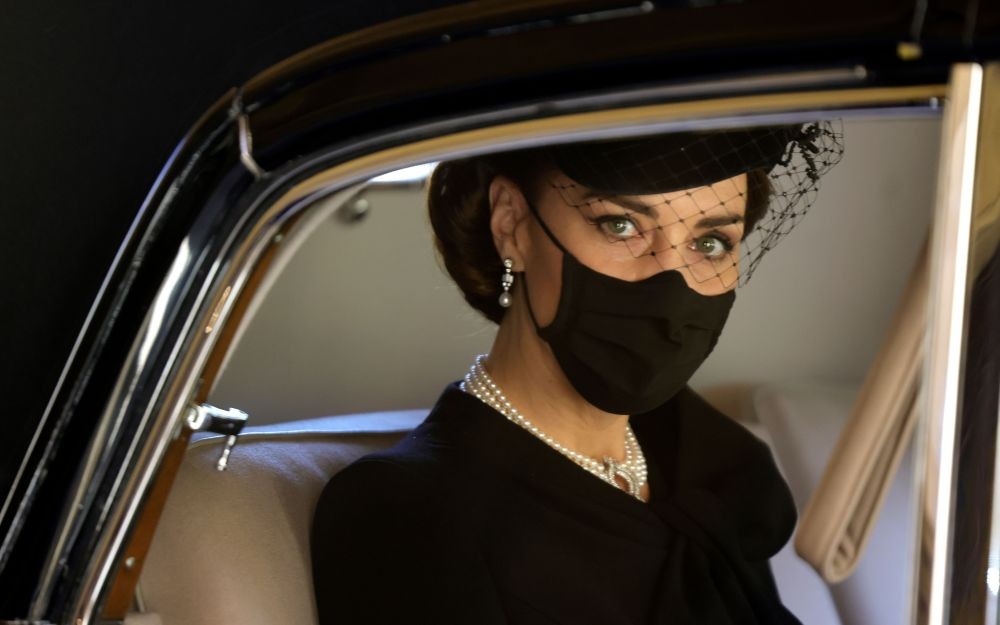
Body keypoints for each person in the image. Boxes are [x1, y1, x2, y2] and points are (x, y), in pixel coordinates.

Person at [311, 123, 843, 624]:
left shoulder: (717, 467)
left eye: (710, 243)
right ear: (511, 224)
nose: (670, 281)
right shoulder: (409, 512)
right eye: (621, 225)